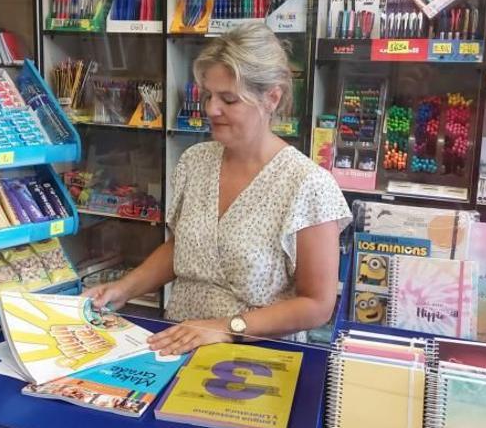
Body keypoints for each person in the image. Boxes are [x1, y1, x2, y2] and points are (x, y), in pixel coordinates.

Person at [85, 22, 352, 356]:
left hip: (256, 358)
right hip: (175, 343)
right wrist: (123, 289)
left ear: (271, 98)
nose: (211, 109)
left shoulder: (307, 185)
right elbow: (184, 248)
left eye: (228, 99)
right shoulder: (195, 161)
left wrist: (228, 328)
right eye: (208, 95)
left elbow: (317, 304)